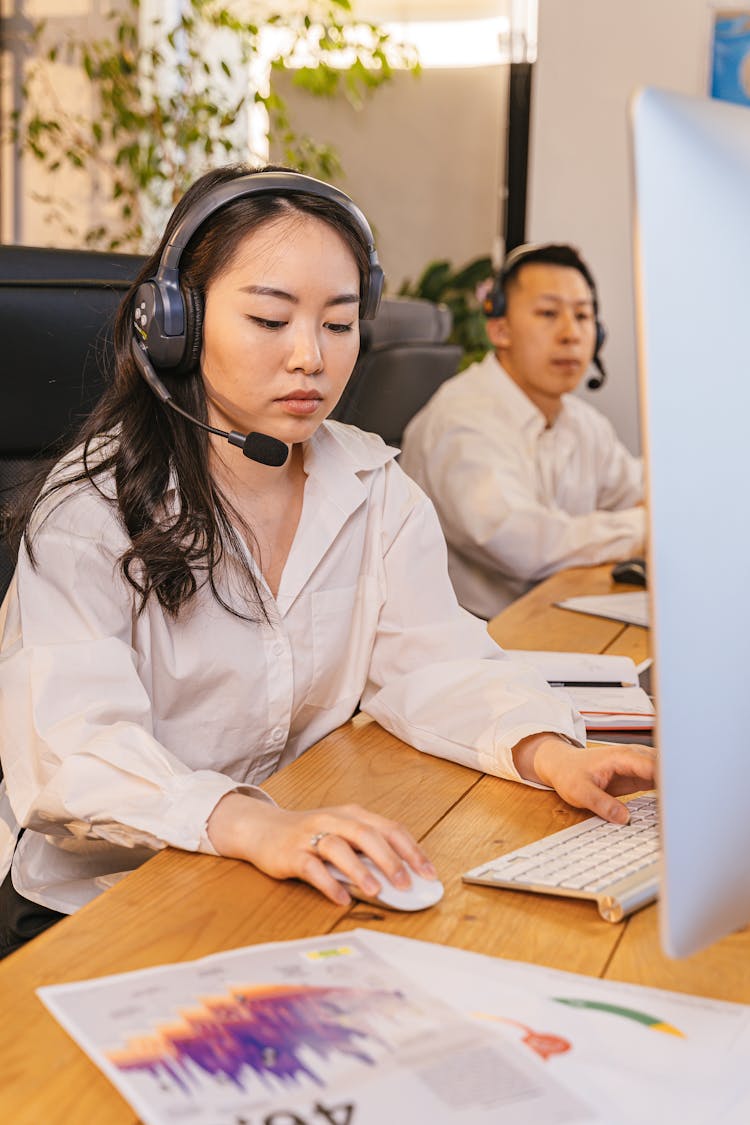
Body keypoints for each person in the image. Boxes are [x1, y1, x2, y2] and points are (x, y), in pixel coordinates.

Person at [0, 171, 655, 957]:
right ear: (176, 322)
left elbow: (434, 661)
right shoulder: (90, 511)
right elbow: (73, 749)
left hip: (285, 870)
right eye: (270, 318)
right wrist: (253, 823)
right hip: (106, 905)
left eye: (339, 324)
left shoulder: (373, 486)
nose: (310, 356)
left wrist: (547, 751)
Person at [399, 243, 646, 620]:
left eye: (582, 316)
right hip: (470, 644)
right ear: (499, 329)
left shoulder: (582, 423)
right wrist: (643, 527)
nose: (570, 333)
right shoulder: (463, 419)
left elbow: (643, 492)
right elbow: (524, 545)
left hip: (545, 621)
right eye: (548, 313)